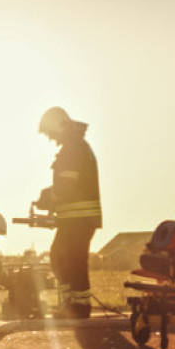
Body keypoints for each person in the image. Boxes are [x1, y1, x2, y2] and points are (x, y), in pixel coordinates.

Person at [35, 106, 102, 318]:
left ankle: (79, 307)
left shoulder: (73, 149)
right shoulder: (75, 146)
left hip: (79, 219)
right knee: (60, 258)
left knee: (72, 260)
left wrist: (47, 198)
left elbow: (67, 186)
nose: (51, 138)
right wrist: (50, 199)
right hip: (74, 218)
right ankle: (71, 304)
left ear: (60, 126)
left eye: (50, 132)